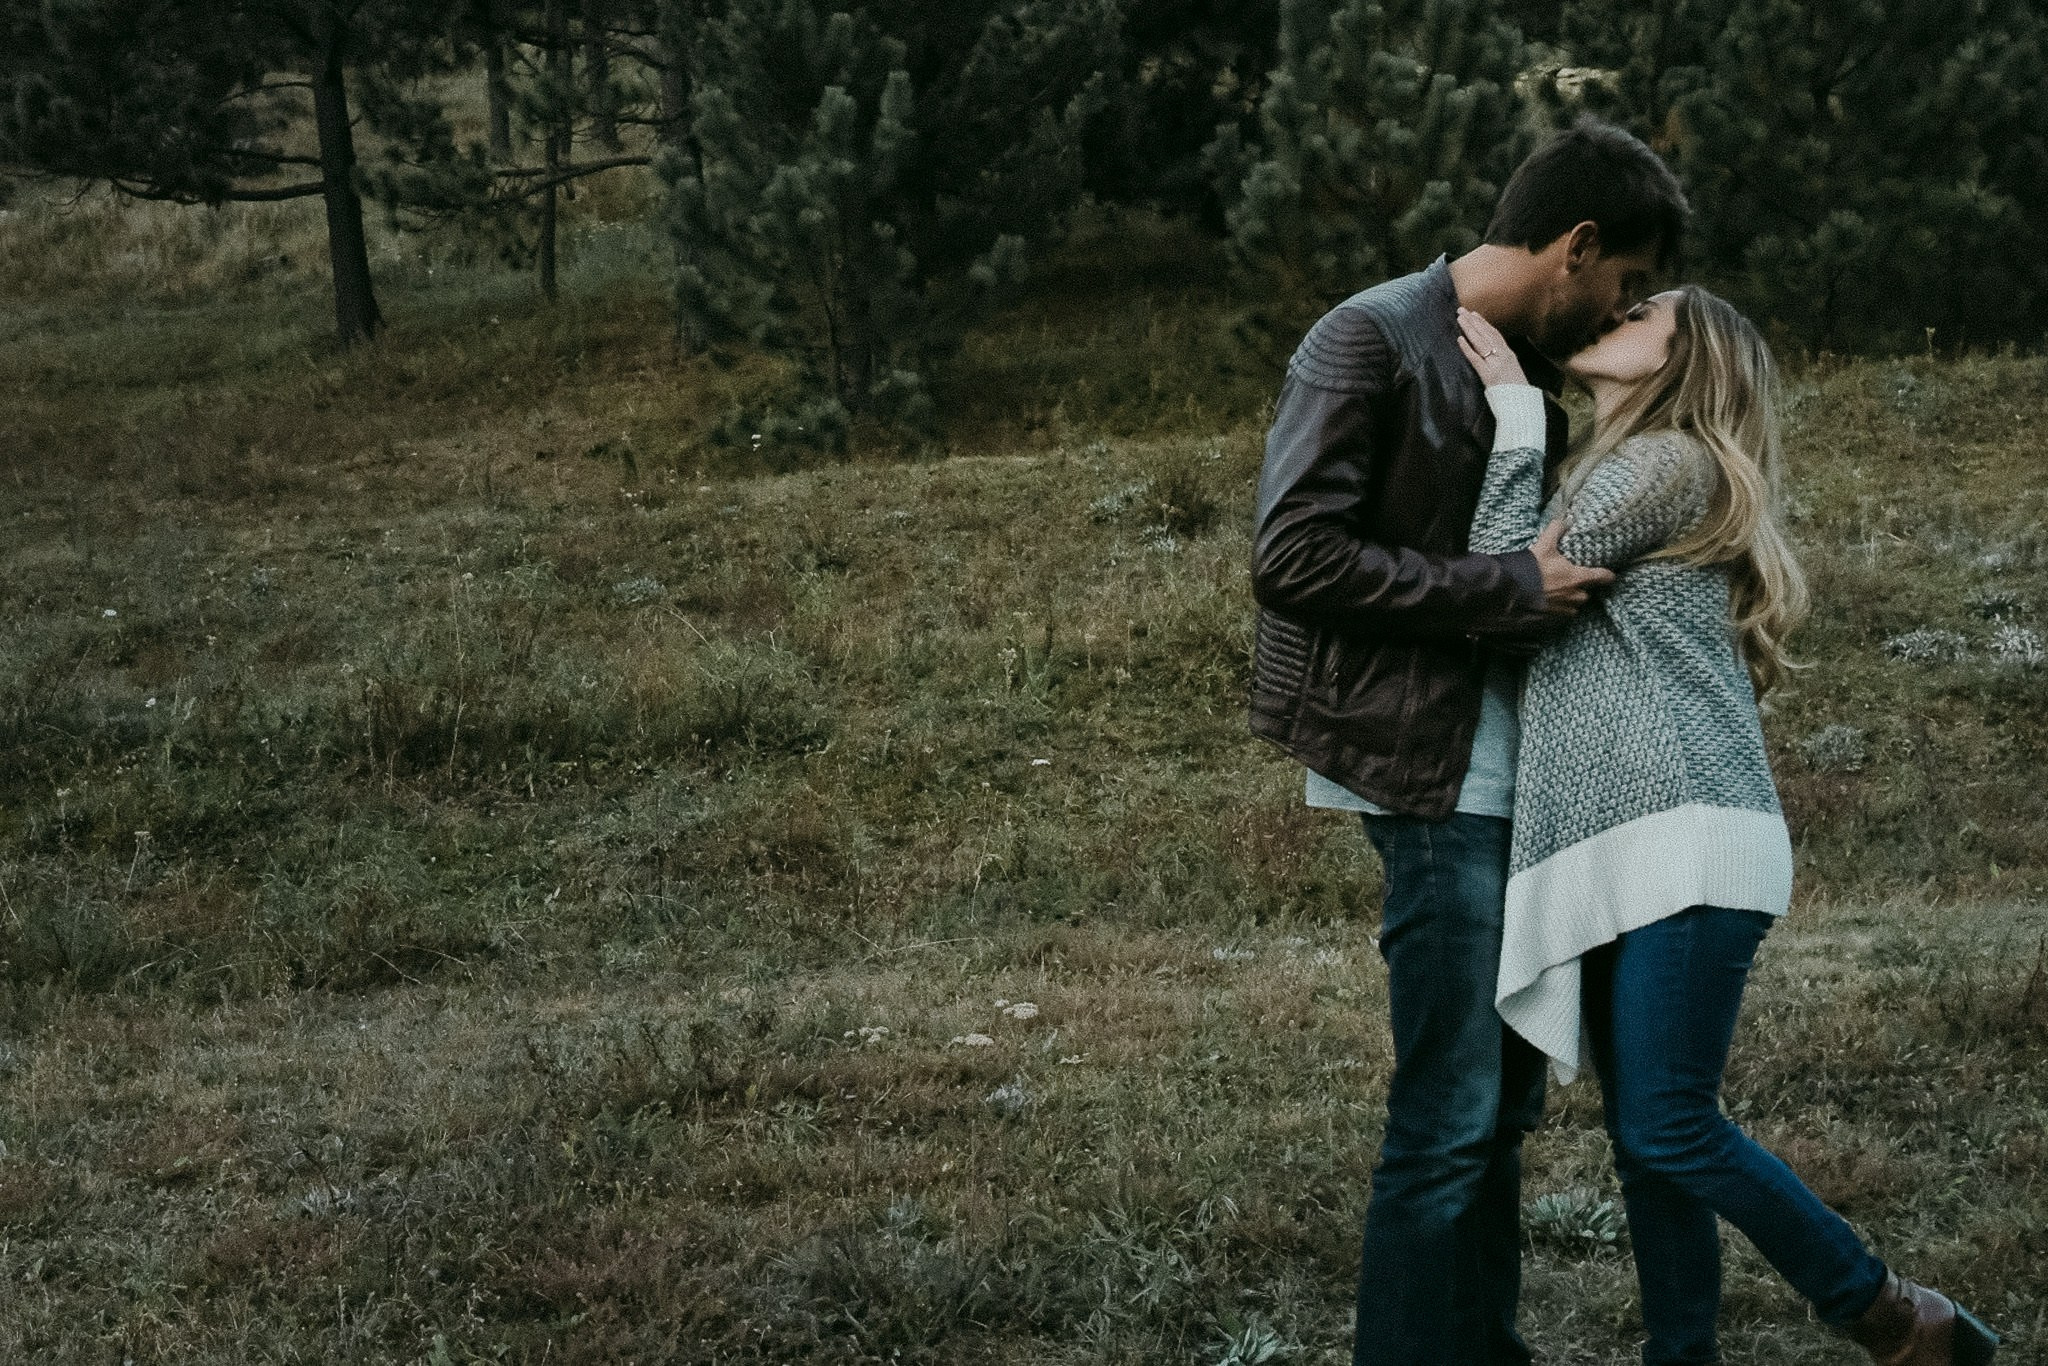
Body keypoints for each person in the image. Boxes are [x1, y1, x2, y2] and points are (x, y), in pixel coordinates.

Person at [1455, 288, 2000, 1365]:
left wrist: (1513, 409)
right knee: (1646, 1144)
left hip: (1683, 835)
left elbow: (1499, 580)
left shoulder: (1668, 460)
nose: (1613, 308)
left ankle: (1893, 1316)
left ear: (1686, 355)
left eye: (1642, 307)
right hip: (1633, 838)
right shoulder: (1616, 470)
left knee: (1666, 1122)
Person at [1248, 117, 1687, 1366]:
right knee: (1446, 1115)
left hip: (1515, 783)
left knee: (1495, 1113)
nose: (1623, 310)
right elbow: (1290, 556)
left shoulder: (1525, 374)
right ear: (1577, 245)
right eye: (1624, 282)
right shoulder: (1369, 335)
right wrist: (1502, 592)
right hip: (1427, 774)